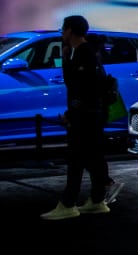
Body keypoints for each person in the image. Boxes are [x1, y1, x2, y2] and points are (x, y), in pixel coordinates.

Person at [41, 15, 111, 219]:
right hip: (91, 115)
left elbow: (81, 89)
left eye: (63, 30)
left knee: (76, 160)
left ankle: (68, 204)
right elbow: (75, 83)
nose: (62, 33)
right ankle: (97, 201)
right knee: (92, 158)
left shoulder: (84, 54)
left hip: (84, 117)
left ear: (70, 30)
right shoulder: (84, 52)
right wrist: (65, 58)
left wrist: (71, 115)